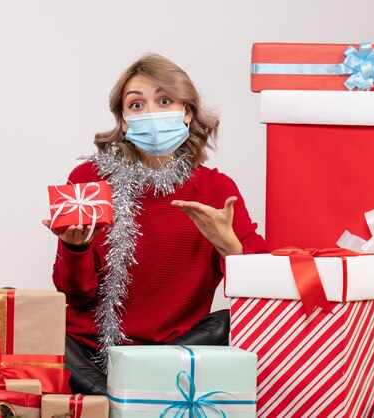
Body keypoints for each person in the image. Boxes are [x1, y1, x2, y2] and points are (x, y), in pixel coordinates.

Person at [43, 53, 267, 395]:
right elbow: (75, 295)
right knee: (43, 331)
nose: (150, 113)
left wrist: (229, 246)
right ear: (123, 118)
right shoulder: (88, 181)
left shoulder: (215, 189)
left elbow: (264, 294)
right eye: (136, 105)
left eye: (164, 101)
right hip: (89, 351)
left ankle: (117, 397)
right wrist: (75, 247)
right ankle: (125, 397)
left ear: (187, 112)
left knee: (231, 322)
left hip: (171, 353)